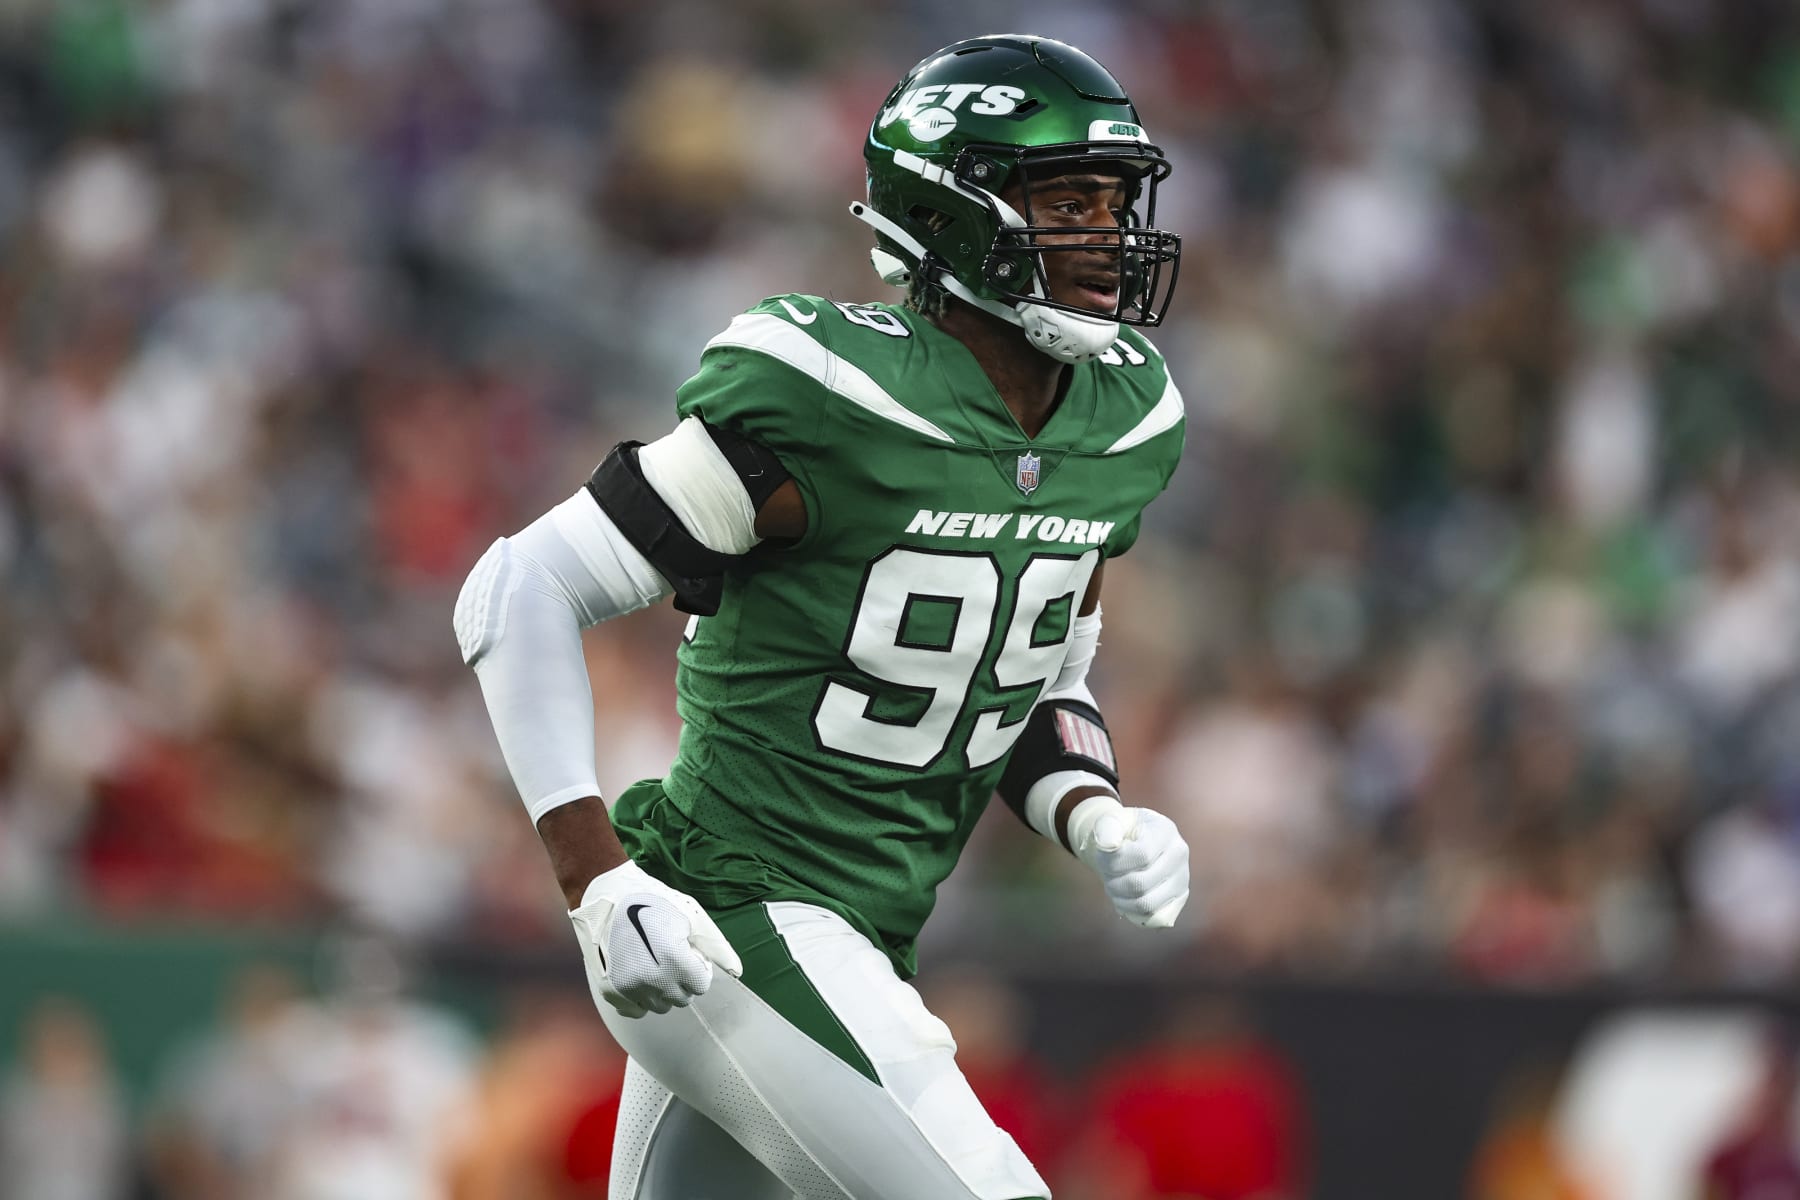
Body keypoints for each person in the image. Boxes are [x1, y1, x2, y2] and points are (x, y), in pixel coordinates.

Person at [456, 33, 1191, 1200]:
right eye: (1065, 201)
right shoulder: (832, 391)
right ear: (951, 215)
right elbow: (520, 588)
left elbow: (1037, 671)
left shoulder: (1128, 420)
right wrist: (594, 878)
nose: (1105, 235)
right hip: (728, 914)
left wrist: (1093, 812)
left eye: (1114, 201)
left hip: (858, 936)